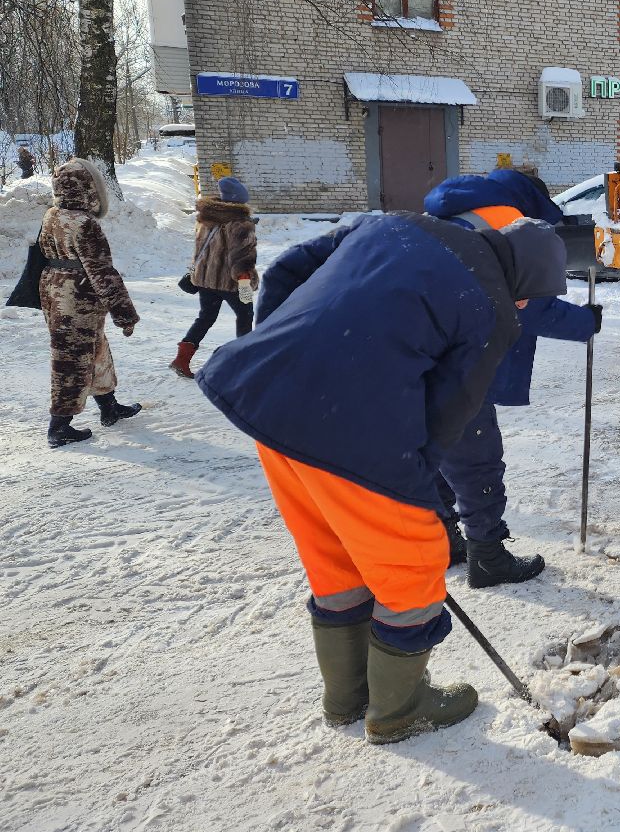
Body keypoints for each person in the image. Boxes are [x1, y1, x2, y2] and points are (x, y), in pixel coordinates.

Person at [195, 207, 566, 744]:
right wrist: (417, 491)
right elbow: (450, 419)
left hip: (266, 398)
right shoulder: (493, 311)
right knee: (414, 562)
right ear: (524, 286)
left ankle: (348, 696)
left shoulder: (394, 224)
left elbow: (283, 273)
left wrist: (285, 347)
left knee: (337, 555)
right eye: (531, 298)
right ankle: (398, 708)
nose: (526, 307)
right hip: (350, 429)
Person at [423, 168, 601, 589]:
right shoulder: (508, 223)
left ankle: (442, 541)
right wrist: (585, 322)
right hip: (459, 356)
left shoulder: (453, 212)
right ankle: (487, 556)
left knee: (435, 448)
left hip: (418, 346)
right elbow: (528, 306)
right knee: (475, 456)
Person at [37, 159, 142, 448]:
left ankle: (109, 407)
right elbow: (103, 273)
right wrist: (125, 314)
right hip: (77, 296)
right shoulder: (85, 224)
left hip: (54, 288)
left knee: (95, 349)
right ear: (89, 188)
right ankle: (59, 426)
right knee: (71, 358)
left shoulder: (53, 214)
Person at [170, 176, 257, 379]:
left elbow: (201, 248)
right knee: (245, 316)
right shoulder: (241, 223)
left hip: (206, 280)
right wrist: (245, 280)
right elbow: (243, 256)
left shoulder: (207, 219)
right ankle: (245, 362)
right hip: (233, 281)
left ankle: (182, 359)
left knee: (206, 317)